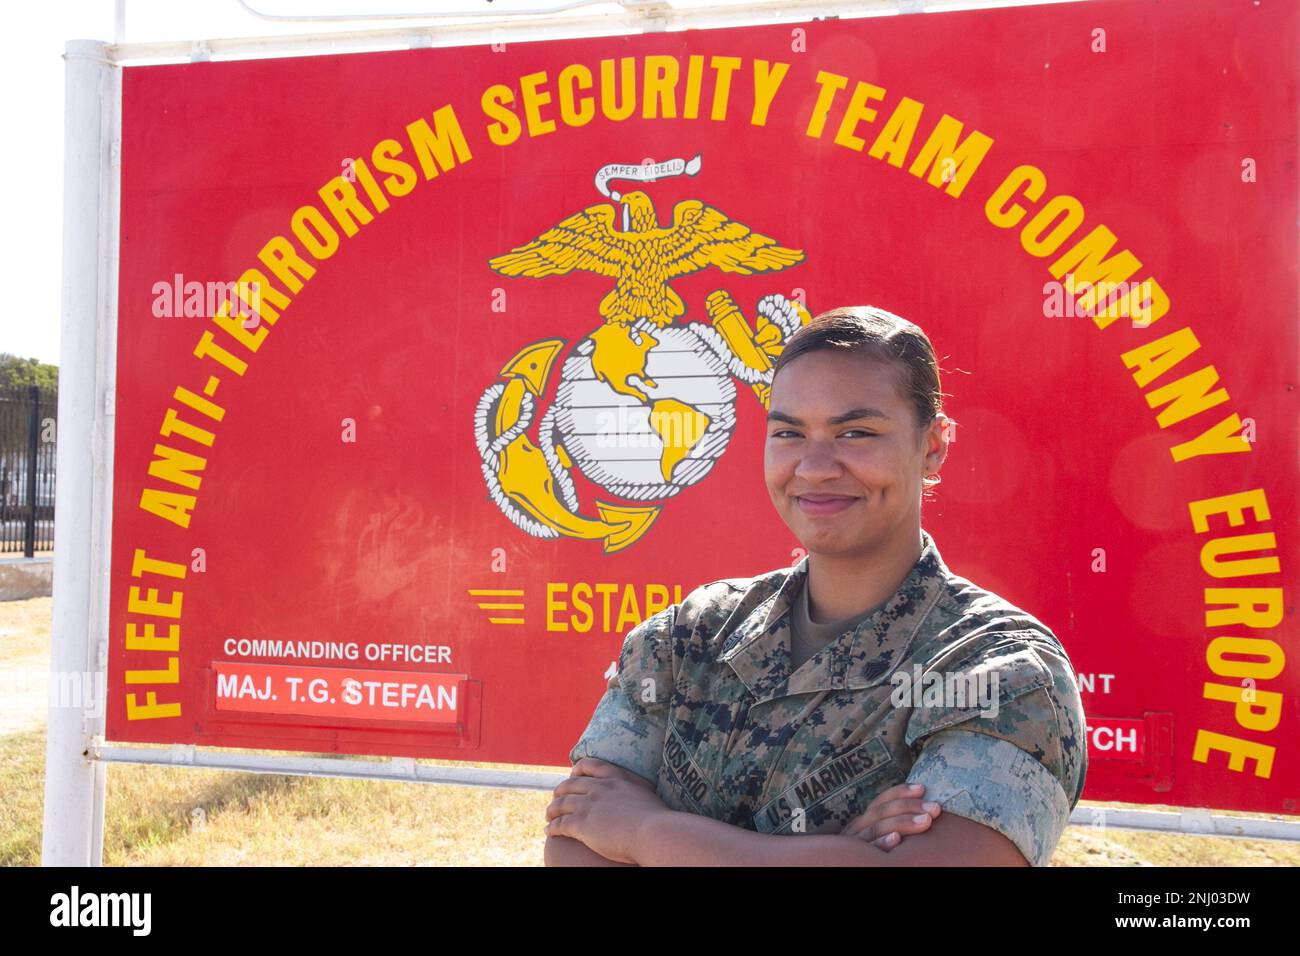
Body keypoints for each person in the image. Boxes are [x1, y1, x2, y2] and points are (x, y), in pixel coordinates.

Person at [544, 305, 1087, 866]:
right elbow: (576, 835)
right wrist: (841, 855)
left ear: (934, 444)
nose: (816, 466)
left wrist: (644, 833)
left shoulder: (998, 670)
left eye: (856, 432)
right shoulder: (686, 639)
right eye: (790, 432)